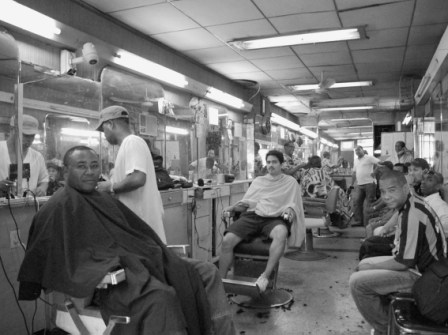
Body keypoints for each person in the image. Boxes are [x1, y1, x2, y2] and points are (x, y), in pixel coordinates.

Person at [18, 146, 236, 335]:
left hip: (141, 261)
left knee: (207, 271)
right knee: (161, 298)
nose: (90, 172)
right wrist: (119, 262)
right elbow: (57, 260)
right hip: (108, 282)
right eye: (81, 166)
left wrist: (148, 255)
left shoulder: (103, 199)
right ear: (66, 171)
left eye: (95, 166)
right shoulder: (57, 207)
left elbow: (135, 235)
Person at [349, 170, 446, 335]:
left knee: (357, 282)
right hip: (418, 267)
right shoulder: (410, 204)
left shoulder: (413, 214)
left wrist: (371, 269)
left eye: (392, 190)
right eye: (383, 191)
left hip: (426, 278)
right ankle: (388, 317)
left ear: (406, 189)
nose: (386, 196)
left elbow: (404, 263)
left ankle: (385, 328)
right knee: (364, 264)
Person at [219, 150, 305, 293]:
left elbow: (294, 204)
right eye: (269, 162)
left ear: (281, 164)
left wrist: (290, 210)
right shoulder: (259, 181)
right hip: (254, 216)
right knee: (227, 240)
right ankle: (220, 283)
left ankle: (264, 277)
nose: (271, 165)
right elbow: (248, 202)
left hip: (275, 218)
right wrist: (234, 207)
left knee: (281, 233)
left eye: (274, 162)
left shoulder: (290, 182)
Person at [96, 106, 166, 243]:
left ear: (110, 124)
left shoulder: (131, 142)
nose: (104, 134)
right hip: (137, 224)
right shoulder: (128, 145)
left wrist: (110, 186)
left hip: (141, 223)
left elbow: (138, 178)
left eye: (103, 129)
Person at [0, 114, 48, 197]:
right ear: (12, 130)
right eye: (25, 135)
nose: (29, 140)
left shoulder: (37, 157)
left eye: (32, 136)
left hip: (26, 207)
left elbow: (44, 179)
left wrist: (42, 188)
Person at [351, 145, 380, 226]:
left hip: (370, 183)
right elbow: (354, 173)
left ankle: (370, 221)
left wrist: (375, 172)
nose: (357, 152)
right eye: (356, 151)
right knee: (357, 202)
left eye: (359, 150)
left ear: (362, 150)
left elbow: (380, 163)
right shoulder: (356, 160)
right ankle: (359, 221)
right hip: (359, 184)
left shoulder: (369, 157)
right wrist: (351, 184)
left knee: (370, 202)